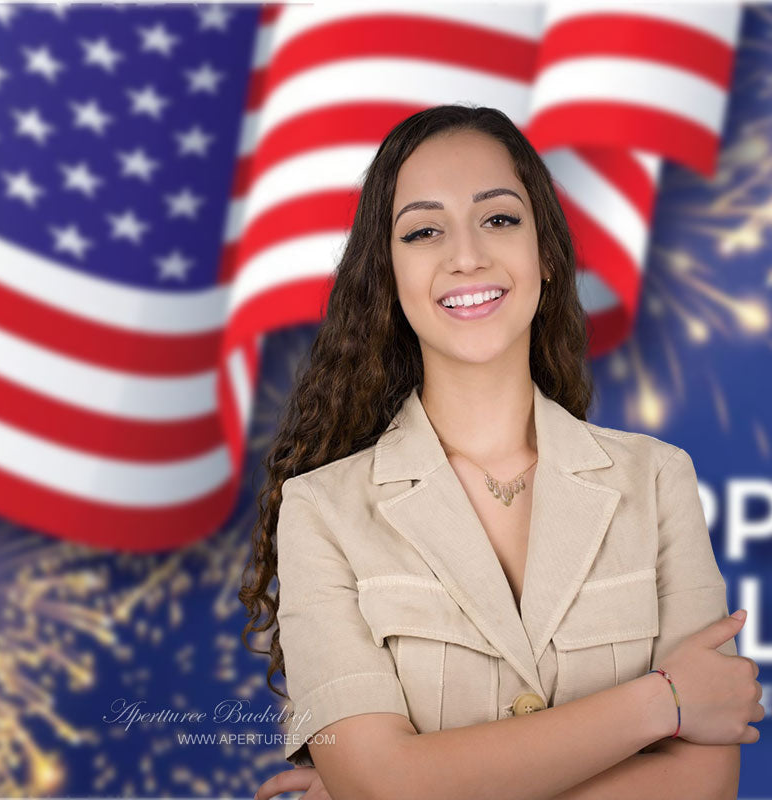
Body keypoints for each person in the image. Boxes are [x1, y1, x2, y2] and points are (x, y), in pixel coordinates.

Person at [240, 104, 763, 800]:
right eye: (424, 231)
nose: (466, 255)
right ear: (388, 277)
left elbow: (704, 783)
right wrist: (662, 702)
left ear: (544, 252)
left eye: (499, 218)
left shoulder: (658, 481)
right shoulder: (320, 512)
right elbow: (382, 784)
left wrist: (416, 784)